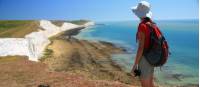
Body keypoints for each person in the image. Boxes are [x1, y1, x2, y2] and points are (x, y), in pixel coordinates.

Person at [131, 1, 154, 87]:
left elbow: (141, 48)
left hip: (145, 59)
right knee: (150, 83)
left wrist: (135, 65)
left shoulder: (142, 26)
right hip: (152, 58)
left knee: (145, 85)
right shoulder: (151, 24)